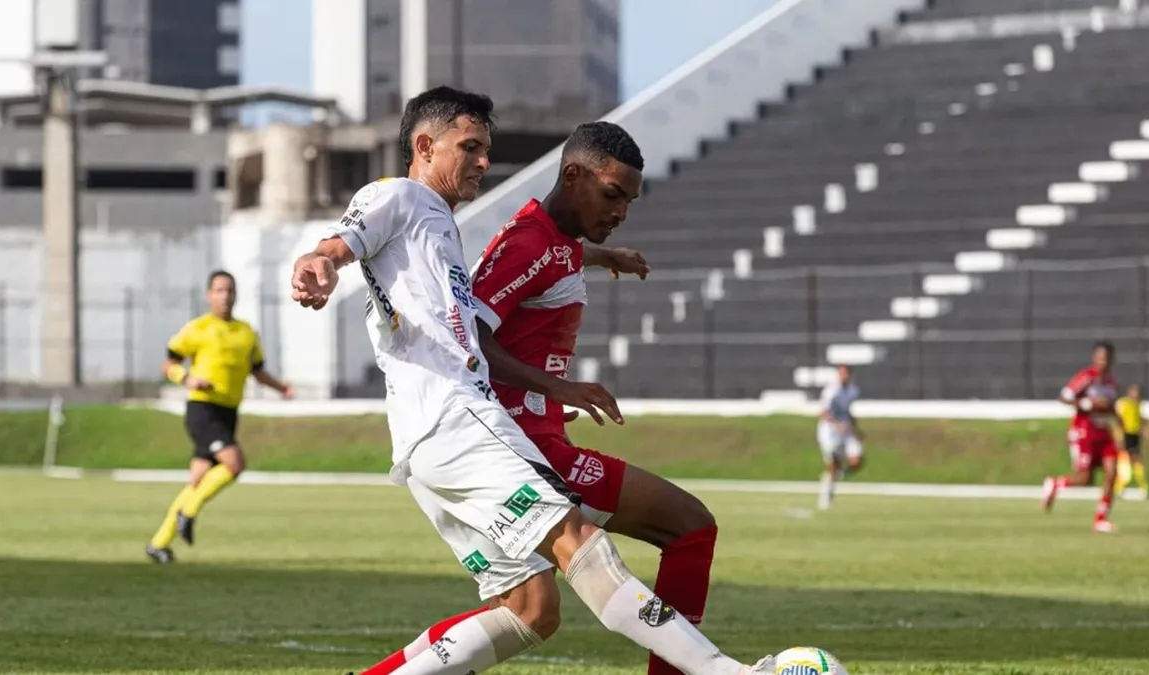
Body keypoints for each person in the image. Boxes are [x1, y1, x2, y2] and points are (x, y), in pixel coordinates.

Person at [289, 86, 773, 675]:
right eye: (470, 148)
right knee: (582, 545)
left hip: (423, 446)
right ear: (424, 145)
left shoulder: (437, 228)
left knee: (531, 609)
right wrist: (321, 258)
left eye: (486, 149)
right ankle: (728, 673)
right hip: (457, 419)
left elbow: (526, 263)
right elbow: (348, 239)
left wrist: (598, 257)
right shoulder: (402, 197)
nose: (484, 162)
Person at [361, 122, 719, 675]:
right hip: (521, 448)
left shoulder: (554, 243)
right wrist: (556, 388)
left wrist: (604, 257)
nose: (620, 211)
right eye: (611, 195)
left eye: (628, 201)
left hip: (514, 434)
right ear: (571, 175)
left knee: (529, 611)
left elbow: (551, 258)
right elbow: (472, 332)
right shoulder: (530, 242)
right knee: (687, 525)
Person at [145, 270, 294, 564]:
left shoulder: (246, 332)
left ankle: (159, 544)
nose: (225, 296)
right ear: (209, 295)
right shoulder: (198, 328)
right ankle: (188, 514)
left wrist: (282, 388)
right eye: (219, 290)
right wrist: (186, 377)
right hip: (202, 409)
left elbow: (257, 370)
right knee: (234, 463)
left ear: (235, 295)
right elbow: (168, 363)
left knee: (198, 480)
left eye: (229, 290)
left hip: (228, 412)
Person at [1041, 341, 1121, 533]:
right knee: (1085, 479)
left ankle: (1101, 519)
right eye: (1101, 357)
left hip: (1103, 432)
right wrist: (1088, 403)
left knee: (1112, 472)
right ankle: (1055, 483)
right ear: (1094, 358)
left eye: (1107, 358)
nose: (1104, 361)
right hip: (1084, 431)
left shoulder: (1112, 384)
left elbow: (1112, 407)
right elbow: (1064, 397)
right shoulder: (1086, 378)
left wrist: (1121, 426)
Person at [815, 365, 863, 510]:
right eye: (840, 373)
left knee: (857, 460)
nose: (843, 376)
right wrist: (836, 425)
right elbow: (822, 413)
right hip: (829, 431)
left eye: (845, 374)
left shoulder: (853, 391)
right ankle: (826, 496)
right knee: (833, 463)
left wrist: (856, 428)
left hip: (845, 430)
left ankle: (840, 473)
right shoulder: (831, 391)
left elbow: (846, 411)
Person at [1114, 383, 1149, 499]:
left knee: (1137, 460)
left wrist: (1145, 428)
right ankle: (1119, 487)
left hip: (1135, 435)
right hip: (1126, 435)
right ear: (1129, 392)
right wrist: (1119, 437)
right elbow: (1118, 420)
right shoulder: (1123, 403)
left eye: (1137, 392)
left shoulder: (1138, 404)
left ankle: (1143, 487)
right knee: (1125, 461)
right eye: (1134, 392)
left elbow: (1139, 419)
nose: (1136, 394)